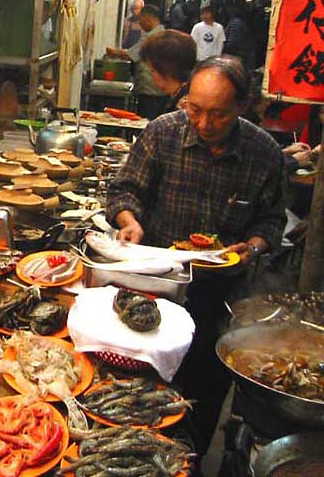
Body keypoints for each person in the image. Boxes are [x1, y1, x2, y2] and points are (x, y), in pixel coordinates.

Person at [107, 55, 286, 453]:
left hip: (222, 296)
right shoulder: (161, 133)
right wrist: (129, 220)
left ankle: (189, 456)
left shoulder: (264, 153)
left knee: (204, 393)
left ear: (241, 107)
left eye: (218, 115)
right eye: (195, 109)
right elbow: (124, 191)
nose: (203, 124)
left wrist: (253, 247)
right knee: (141, 391)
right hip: (157, 288)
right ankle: (136, 451)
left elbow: (272, 222)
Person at [107, 5, 167, 120]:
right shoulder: (162, 34)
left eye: (141, 20)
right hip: (158, 89)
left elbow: (131, 55)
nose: (140, 24)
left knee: (145, 122)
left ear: (148, 18)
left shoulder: (152, 37)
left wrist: (112, 52)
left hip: (150, 91)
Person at [139, 29, 197, 113]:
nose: (152, 77)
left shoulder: (186, 105)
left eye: (153, 71)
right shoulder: (174, 94)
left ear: (166, 68)